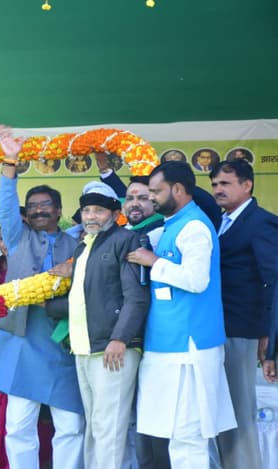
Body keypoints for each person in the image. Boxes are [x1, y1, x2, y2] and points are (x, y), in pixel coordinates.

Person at [0, 125, 83, 469]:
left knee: (70, 424)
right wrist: (10, 162)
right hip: (21, 339)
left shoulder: (78, 246)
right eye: (34, 206)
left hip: (64, 342)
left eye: (46, 205)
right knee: (18, 424)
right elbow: (6, 207)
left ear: (59, 210)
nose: (39, 210)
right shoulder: (18, 237)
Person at [127, 161, 236, 468]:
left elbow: (196, 280)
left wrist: (153, 262)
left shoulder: (194, 227)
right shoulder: (172, 224)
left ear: (177, 189)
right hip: (167, 344)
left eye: (156, 191)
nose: (151, 198)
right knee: (175, 434)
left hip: (189, 347)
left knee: (188, 437)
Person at [65, 181, 149, 468]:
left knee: (109, 427)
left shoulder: (126, 239)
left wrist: (120, 338)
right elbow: (83, 297)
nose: (91, 216)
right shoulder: (83, 246)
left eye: (98, 211)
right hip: (85, 347)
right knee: (95, 424)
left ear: (115, 214)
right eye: (86, 210)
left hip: (113, 348)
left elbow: (136, 297)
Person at [209, 159, 278, 468]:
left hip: (244, 331)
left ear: (247, 185)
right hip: (217, 329)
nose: (218, 190)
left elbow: (273, 281)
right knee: (220, 412)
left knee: (238, 411)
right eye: (215, 184)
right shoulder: (220, 221)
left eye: (225, 183)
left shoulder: (262, 223)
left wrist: (268, 334)